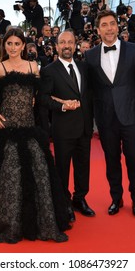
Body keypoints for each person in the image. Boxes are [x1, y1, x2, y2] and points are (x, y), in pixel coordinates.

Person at [0, 27, 70, 244]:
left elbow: (41, 96)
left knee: (40, 174)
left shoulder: (34, 66)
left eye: (17, 44)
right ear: (4, 45)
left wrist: (62, 102)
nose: (13, 48)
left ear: (24, 46)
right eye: (9, 44)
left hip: (30, 127)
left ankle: (43, 224)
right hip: (7, 129)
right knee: (10, 179)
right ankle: (10, 226)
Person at [85, 10, 135, 217]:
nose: (109, 28)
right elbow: (89, 90)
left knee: (134, 159)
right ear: (98, 30)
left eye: (112, 24)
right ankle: (116, 198)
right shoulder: (90, 55)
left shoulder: (134, 50)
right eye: (104, 25)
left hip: (131, 116)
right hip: (106, 119)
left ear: (117, 26)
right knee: (111, 160)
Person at [40, 30, 95, 222]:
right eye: (62, 42)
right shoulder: (48, 70)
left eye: (70, 42)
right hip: (63, 129)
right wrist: (62, 105)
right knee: (62, 169)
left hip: (85, 128)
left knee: (83, 167)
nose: (66, 46)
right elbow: (43, 98)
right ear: (56, 46)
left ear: (75, 45)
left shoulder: (84, 67)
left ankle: (80, 199)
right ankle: (64, 203)